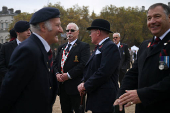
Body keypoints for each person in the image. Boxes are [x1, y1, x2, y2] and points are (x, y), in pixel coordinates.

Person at [0, 7, 63, 113]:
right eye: (57, 25)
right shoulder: (28, 50)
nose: (61, 30)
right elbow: (9, 91)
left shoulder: (39, 48)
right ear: (43, 27)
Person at [114, 3, 170, 113]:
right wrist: (121, 96)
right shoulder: (145, 45)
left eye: (157, 16)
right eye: (149, 18)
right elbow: (133, 73)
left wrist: (142, 95)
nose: (152, 21)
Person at [77, 19, 121, 113]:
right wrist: (84, 82)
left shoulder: (110, 46)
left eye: (91, 32)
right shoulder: (100, 47)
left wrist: (86, 85)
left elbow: (104, 72)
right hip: (97, 95)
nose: (89, 35)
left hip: (105, 98)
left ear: (98, 32)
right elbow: (90, 69)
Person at [53, 22, 90, 113]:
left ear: (77, 32)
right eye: (67, 30)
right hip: (62, 87)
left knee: (78, 111)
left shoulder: (84, 46)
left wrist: (68, 75)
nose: (69, 32)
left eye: (72, 30)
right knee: (65, 110)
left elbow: (83, 64)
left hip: (76, 86)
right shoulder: (61, 47)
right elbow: (54, 63)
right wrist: (57, 74)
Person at [0, 21, 31, 88]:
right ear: (18, 32)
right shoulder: (6, 47)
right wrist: (12, 77)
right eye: (26, 30)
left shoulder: (35, 46)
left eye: (29, 30)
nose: (29, 32)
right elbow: (1, 66)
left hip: (29, 87)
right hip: (11, 86)